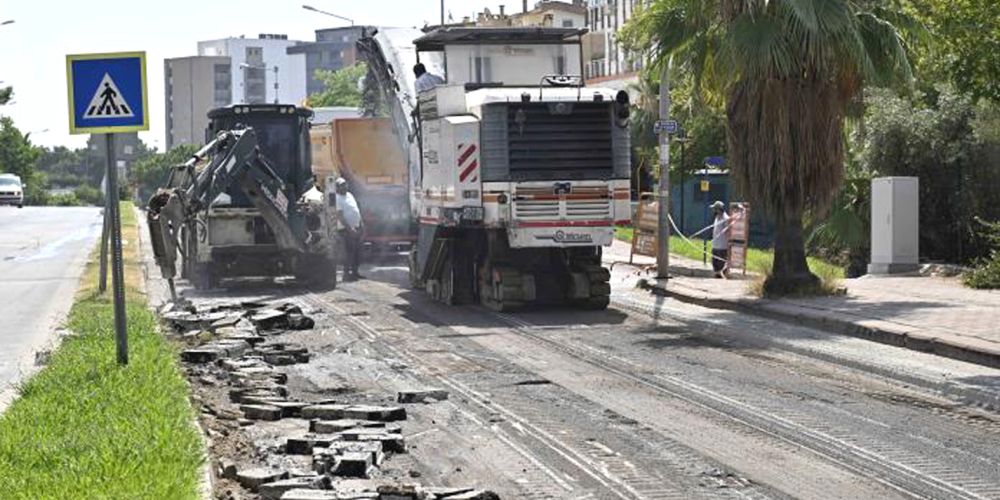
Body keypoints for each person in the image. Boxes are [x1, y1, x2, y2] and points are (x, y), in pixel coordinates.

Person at [334, 178, 364, 281]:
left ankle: (355, 272)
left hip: (356, 227)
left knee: (357, 251)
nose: (345, 186)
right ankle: (346, 274)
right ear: (337, 187)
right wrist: (350, 229)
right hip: (346, 230)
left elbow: (356, 210)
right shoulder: (337, 198)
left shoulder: (350, 195)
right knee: (349, 252)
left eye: (345, 184)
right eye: (342, 185)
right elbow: (340, 216)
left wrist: (361, 223)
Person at [710, 201, 731, 279]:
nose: (714, 211)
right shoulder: (717, 217)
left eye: (715, 209)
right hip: (715, 244)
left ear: (719, 209)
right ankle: (717, 276)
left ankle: (721, 277)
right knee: (714, 263)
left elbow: (728, 231)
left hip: (722, 246)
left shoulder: (725, 218)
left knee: (721, 263)